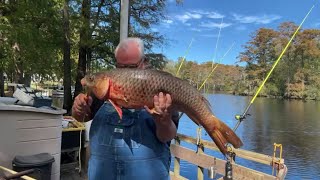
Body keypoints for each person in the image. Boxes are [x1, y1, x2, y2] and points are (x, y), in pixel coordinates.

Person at [72, 37, 179, 180]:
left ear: (144, 63)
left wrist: (163, 120)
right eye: (120, 67)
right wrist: (77, 110)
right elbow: (82, 117)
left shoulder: (162, 89)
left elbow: (167, 136)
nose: (124, 73)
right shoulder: (103, 87)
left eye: (131, 67)